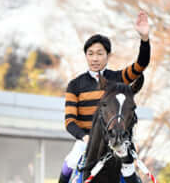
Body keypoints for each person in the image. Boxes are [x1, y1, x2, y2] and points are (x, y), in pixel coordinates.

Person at [64, 12, 150, 142]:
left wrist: (144, 38)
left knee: (133, 163)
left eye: (100, 54)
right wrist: (85, 137)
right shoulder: (75, 85)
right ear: (86, 55)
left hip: (116, 140)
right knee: (69, 163)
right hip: (86, 141)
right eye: (90, 54)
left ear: (108, 55)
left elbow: (141, 65)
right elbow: (70, 121)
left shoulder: (119, 78)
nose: (95, 59)